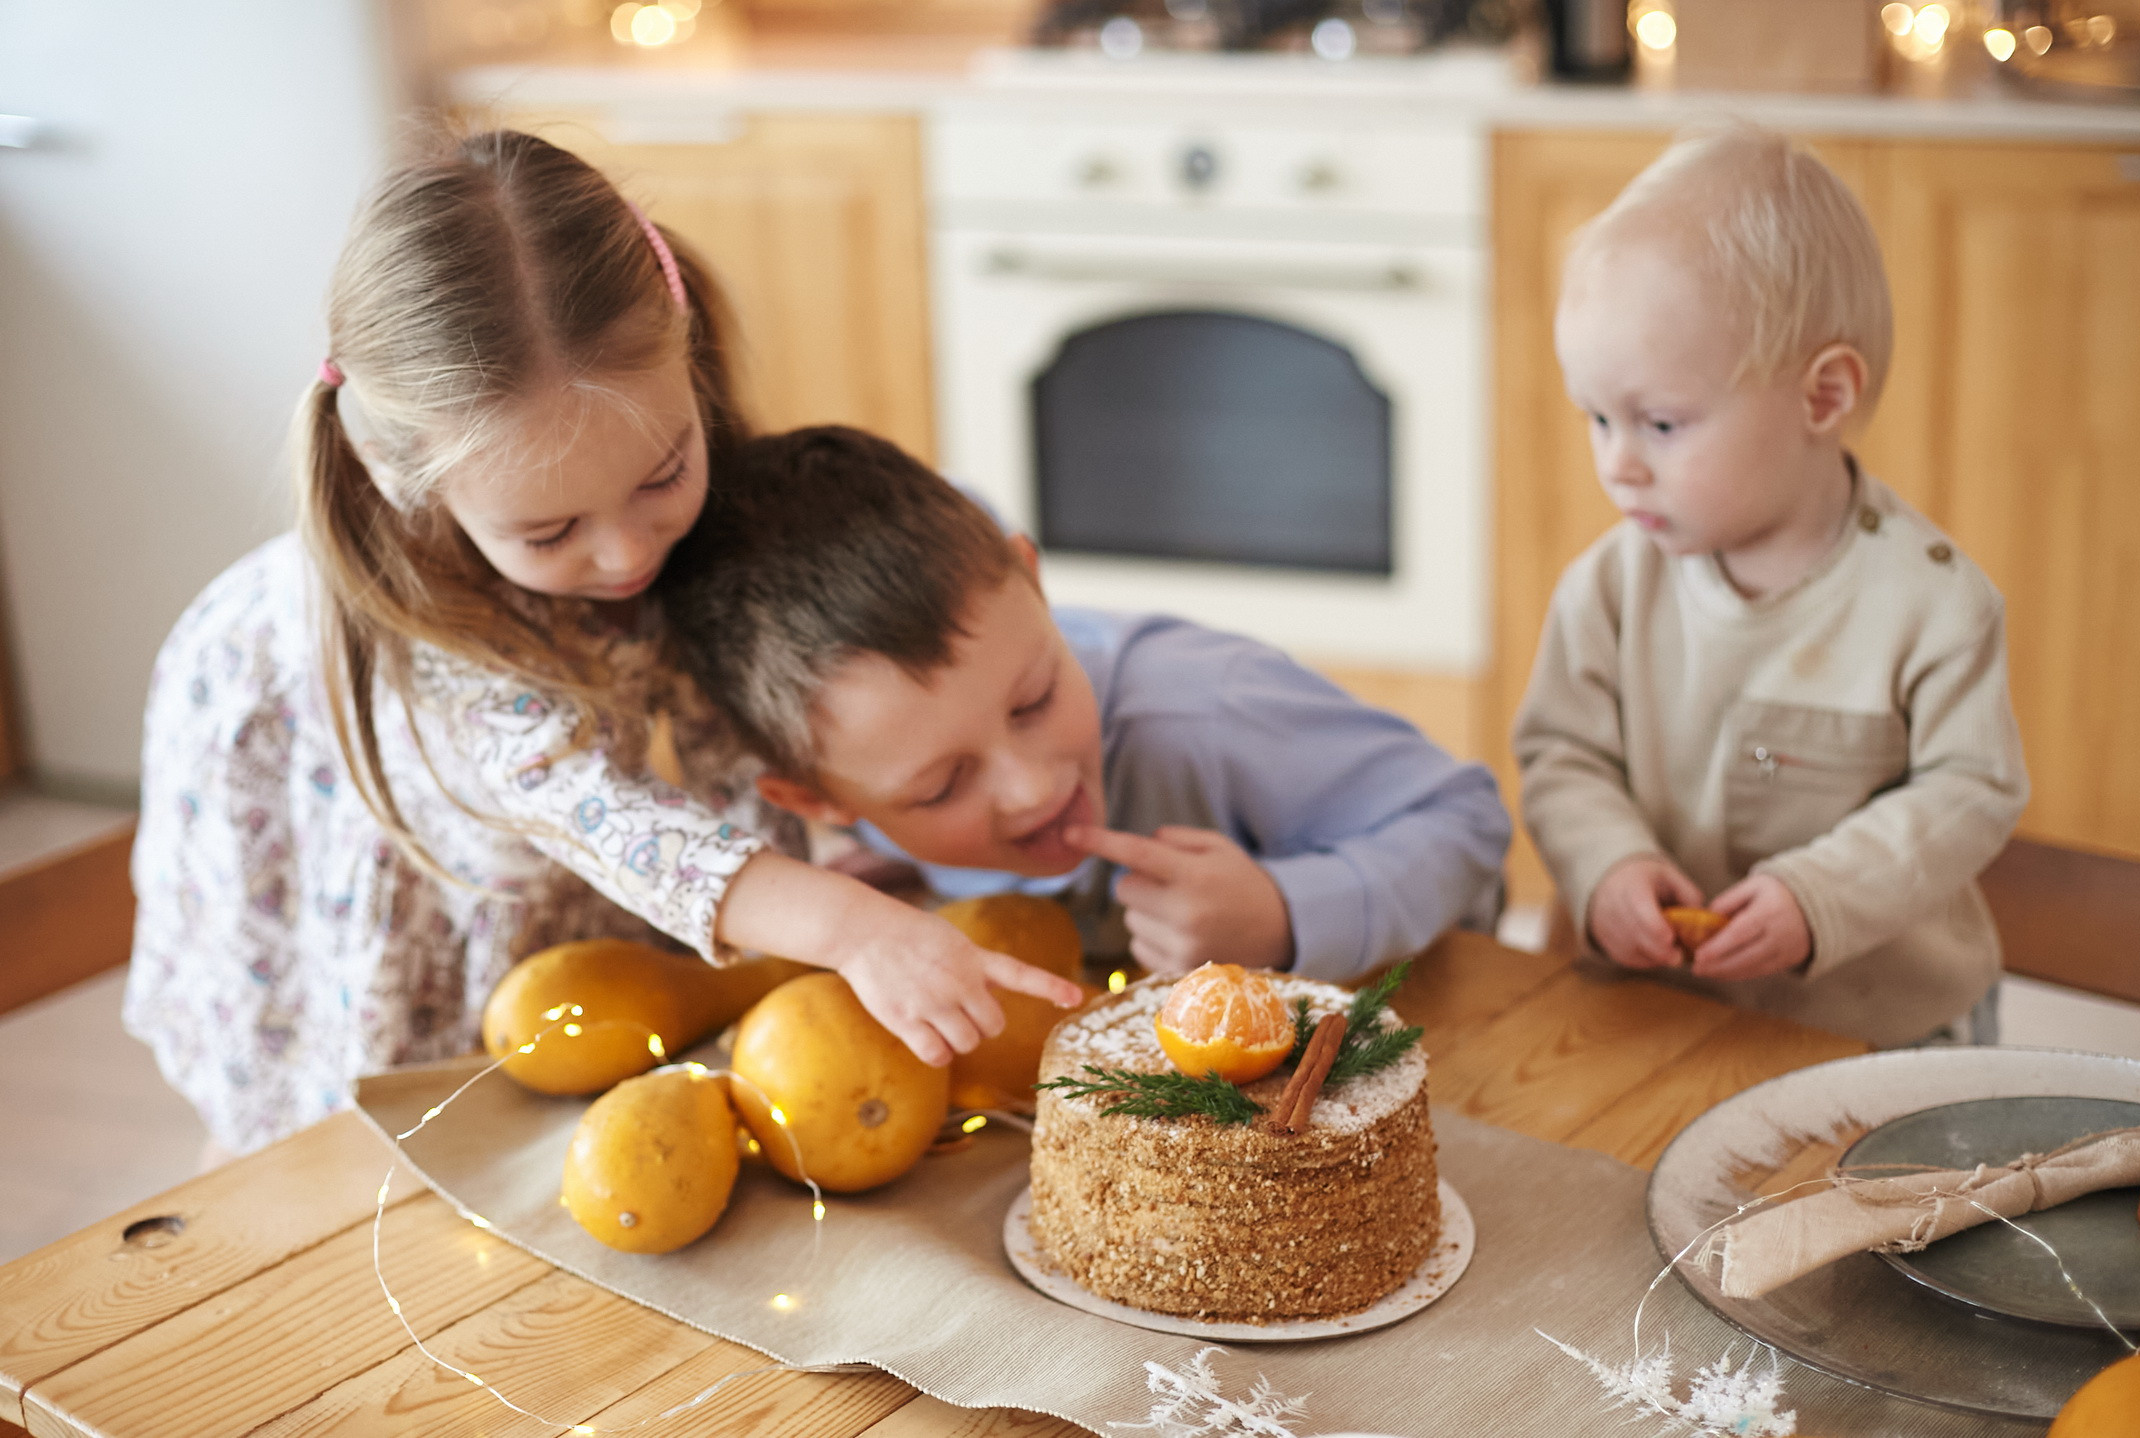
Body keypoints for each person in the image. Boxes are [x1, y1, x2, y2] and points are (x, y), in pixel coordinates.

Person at [127, 132, 1078, 1156]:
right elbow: (592, 809)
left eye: (664, 473)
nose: (627, 551)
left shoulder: (629, 472)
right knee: (407, 1152)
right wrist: (847, 925)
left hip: (586, 911)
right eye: (548, 533)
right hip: (391, 875)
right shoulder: (428, 642)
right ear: (415, 485)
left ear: (688, 357)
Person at [659, 425, 1511, 983]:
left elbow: (1467, 821)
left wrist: (1286, 917)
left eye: (1032, 701)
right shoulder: (848, 794)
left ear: (1032, 583)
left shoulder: (1207, 713)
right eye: (939, 789)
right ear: (819, 802)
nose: (1032, 787)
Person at [1511, 127, 2028, 1047]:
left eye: (1661, 423)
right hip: (1661, 1013)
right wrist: (1609, 862)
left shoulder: (1937, 607)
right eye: (1597, 417)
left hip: (1880, 1038)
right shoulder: (1607, 587)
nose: (1617, 465)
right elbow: (1562, 756)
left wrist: (1816, 895)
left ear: (1822, 398)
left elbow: (1971, 789)